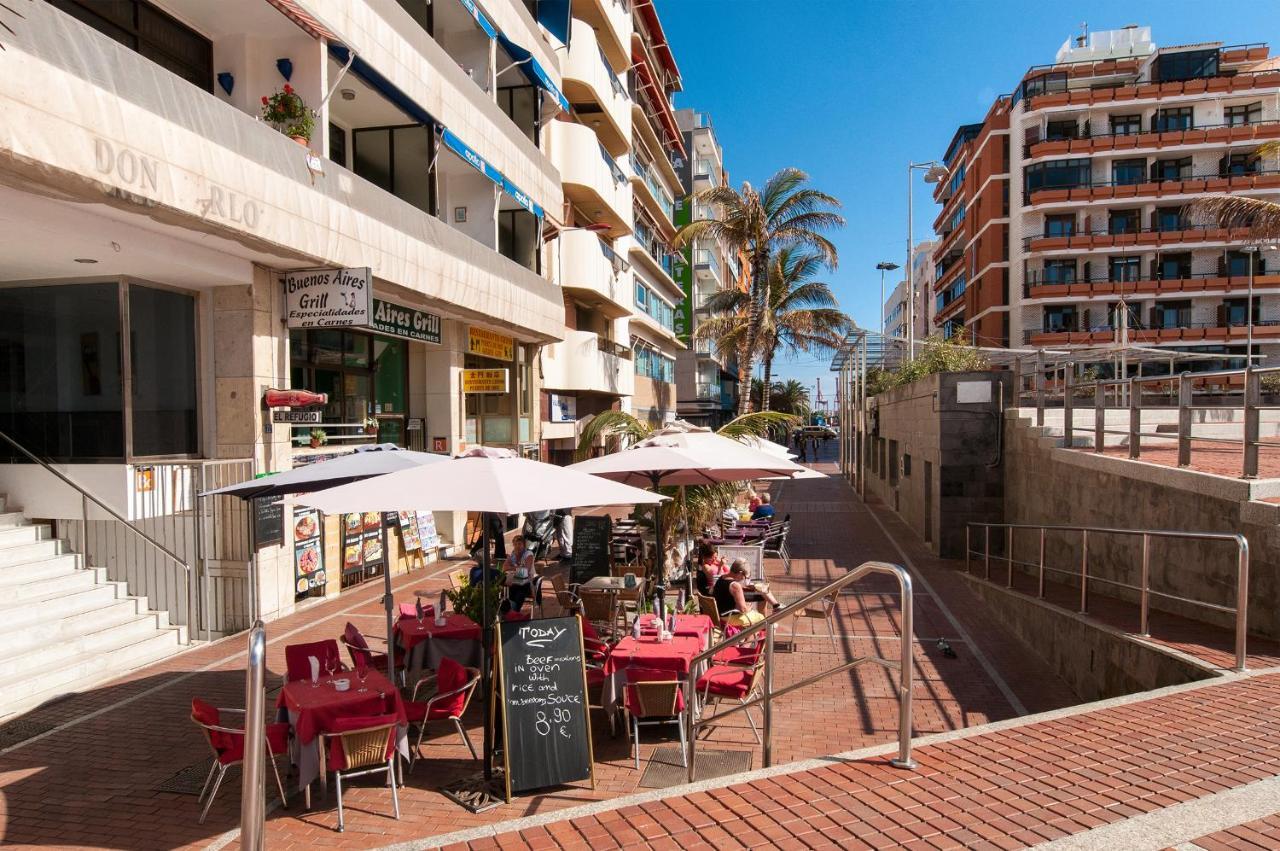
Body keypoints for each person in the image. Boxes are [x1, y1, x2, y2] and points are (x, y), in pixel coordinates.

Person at [712, 561, 779, 629]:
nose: (744, 579)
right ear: (740, 573)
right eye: (745, 577)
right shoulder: (735, 586)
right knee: (762, 618)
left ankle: (752, 636)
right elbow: (743, 610)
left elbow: (727, 590)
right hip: (729, 618)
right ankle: (760, 636)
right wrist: (749, 608)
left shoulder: (721, 578)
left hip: (720, 615)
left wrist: (744, 587)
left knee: (757, 617)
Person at [503, 535, 537, 612]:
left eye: (519, 544)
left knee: (519, 593)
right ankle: (512, 611)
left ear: (524, 545)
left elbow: (525, 571)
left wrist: (512, 567)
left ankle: (514, 611)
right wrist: (515, 567)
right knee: (509, 589)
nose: (517, 546)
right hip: (515, 581)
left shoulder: (528, 554)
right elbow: (504, 568)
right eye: (515, 544)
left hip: (528, 582)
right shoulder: (513, 554)